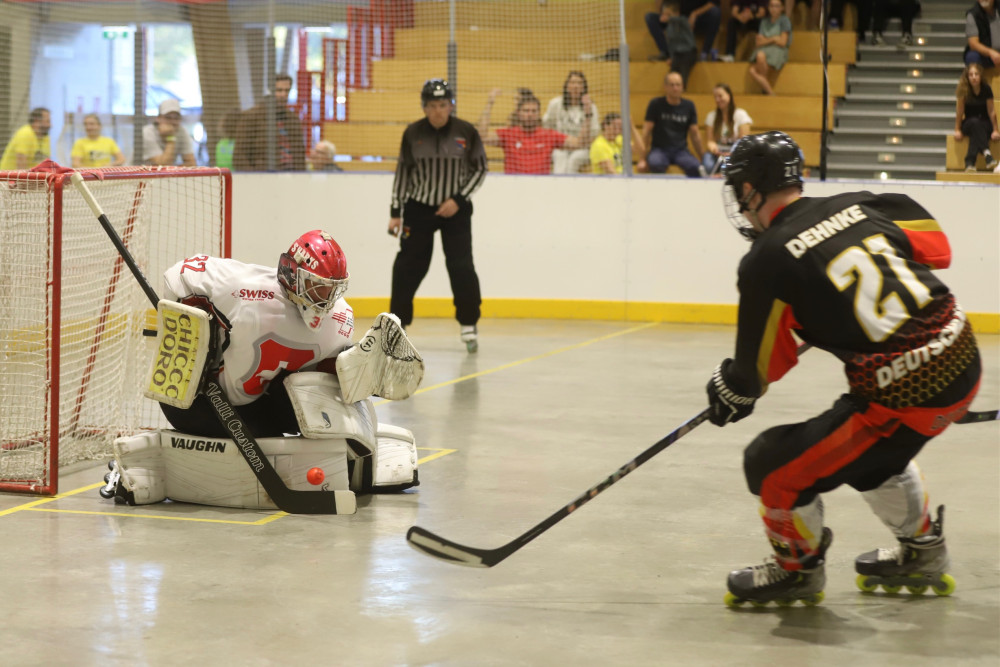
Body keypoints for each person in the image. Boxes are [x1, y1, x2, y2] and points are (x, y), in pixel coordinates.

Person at [708, 131, 981, 607]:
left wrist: (726, 389)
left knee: (770, 466)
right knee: (875, 457)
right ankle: (922, 552)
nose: (737, 198)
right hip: (963, 356)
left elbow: (752, 376)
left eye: (738, 187)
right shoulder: (859, 201)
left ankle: (797, 571)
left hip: (907, 391)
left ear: (752, 189)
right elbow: (936, 248)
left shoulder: (766, 260)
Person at [101, 229, 424, 509]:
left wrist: (358, 368)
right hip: (201, 399)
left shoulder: (340, 318)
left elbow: (326, 379)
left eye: (332, 288)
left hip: (258, 403)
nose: (325, 298)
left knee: (316, 412)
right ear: (293, 274)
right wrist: (197, 332)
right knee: (262, 438)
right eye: (317, 287)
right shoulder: (241, 286)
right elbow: (178, 274)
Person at [391, 79, 488, 353]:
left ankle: (469, 324)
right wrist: (395, 212)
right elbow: (403, 174)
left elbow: (480, 169)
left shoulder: (466, 132)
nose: (438, 111)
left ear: (451, 105)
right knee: (408, 267)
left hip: (455, 211)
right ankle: (397, 325)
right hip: (418, 208)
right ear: (424, 107)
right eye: (432, 105)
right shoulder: (412, 133)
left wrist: (457, 200)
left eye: (443, 105)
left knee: (461, 266)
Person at [479, 88, 590, 174]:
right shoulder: (509, 134)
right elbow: (482, 137)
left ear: (538, 114)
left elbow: (580, 143)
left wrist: (588, 116)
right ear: (518, 113)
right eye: (526, 111)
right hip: (513, 185)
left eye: (534, 111)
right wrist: (489, 104)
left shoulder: (548, 135)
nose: (530, 114)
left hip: (540, 187)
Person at [638, 71, 705, 177]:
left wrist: (702, 157)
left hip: (681, 151)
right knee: (656, 164)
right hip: (659, 150)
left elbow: (695, 134)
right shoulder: (655, 104)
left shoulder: (689, 106)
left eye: (678, 85)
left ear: (682, 87)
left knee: (695, 166)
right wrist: (642, 159)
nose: (675, 88)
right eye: (672, 85)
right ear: (665, 87)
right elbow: (646, 132)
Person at [233, 74, 306, 171]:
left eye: (287, 90)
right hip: (263, 176)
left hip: (292, 176)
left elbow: (300, 153)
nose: (283, 94)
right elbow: (239, 156)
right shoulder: (251, 117)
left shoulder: (293, 119)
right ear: (270, 91)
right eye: (279, 90)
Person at [542, 71, 600, 174]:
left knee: (575, 159)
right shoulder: (555, 104)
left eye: (579, 83)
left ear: (584, 88)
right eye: (572, 82)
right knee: (560, 156)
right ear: (567, 86)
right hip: (561, 146)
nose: (576, 86)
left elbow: (594, 133)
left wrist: (579, 144)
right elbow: (546, 126)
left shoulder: (591, 107)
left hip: (583, 148)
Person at [954, 62, 1000, 171]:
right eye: (971, 75)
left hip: (984, 123)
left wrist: (995, 130)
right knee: (974, 123)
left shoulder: (986, 89)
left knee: (977, 129)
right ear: (967, 77)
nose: (974, 77)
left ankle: (970, 163)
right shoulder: (963, 90)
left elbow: (991, 110)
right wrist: (957, 129)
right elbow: (960, 112)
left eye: (976, 74)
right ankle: (986, 153)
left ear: (980, 75)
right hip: (968, 123)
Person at [646, 0, 722, 62]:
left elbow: (714, 3)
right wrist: (664, 14)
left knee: (715, 12)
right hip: (674, 17)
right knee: (650, 17)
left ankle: (705, 53)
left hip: (697, 18)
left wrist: (695, 13)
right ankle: (666, 53)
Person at [702, 83, 753, 174]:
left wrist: (732, 152)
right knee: (708, 163)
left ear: (729, 96)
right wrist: (715, 150)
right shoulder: (711, 116)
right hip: (717, 153)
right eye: (715, 97)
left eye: (720, 96)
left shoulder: (741, 115)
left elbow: (744, 140)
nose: (718, 100)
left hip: (736, 152)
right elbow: (710, 141)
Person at [748, 0, 792, 96]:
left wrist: (766, 39)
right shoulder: (764, 21)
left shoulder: (784, 20)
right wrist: (773, 39)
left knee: (754, 67)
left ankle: (765, 89)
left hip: (778, 50)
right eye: (771, 6)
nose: (773, 8)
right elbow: (758, 42)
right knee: (759, 56)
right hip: (764, 48)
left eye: (776, 6)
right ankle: (770, 92)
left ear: (782, 8)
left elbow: (782, 42)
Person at [143, 99, 196, 167]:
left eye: (176, 118)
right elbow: (163, 165)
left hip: (165, 176)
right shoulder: (147, 133)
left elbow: (191, 164)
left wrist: (174, 170)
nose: (173, 122)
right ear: (158, 118)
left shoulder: (182, 131)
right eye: (168, 117)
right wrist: (171, 138)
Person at [964, 0, 1000, 68]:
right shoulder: (973, 14)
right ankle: (975, 77)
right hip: (986, 55)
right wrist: (990, 52)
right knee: (972, 56)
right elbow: (973, 44)